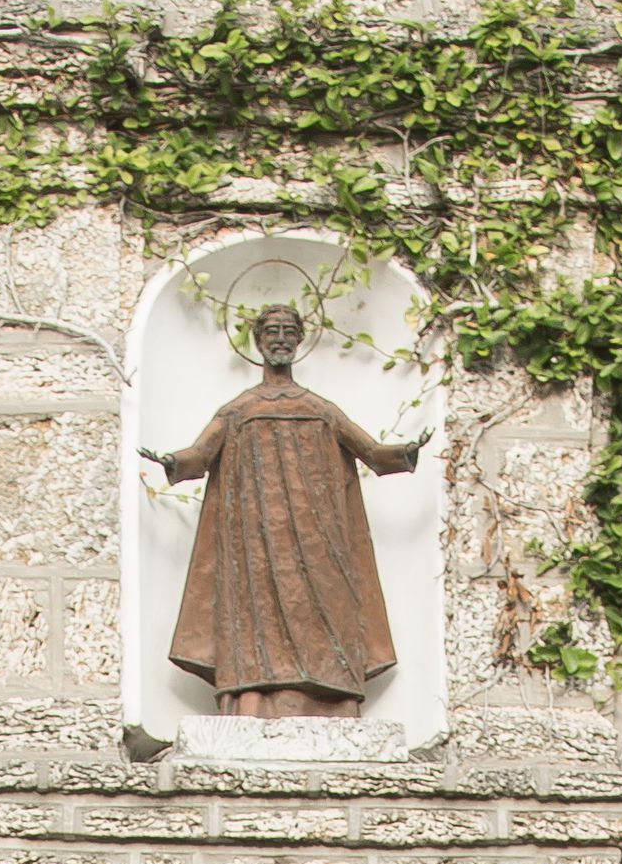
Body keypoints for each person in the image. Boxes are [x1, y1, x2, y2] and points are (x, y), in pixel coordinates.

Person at [149, 302, 423, 718]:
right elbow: (201, 453)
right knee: (256, 615)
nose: (280, 339)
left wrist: (404, 452)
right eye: (272, 331)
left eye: (287, 332)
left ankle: (331, 701)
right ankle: (253, 701)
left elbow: (369, 451)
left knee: (323, 609)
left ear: (299, 340)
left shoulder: (319, 409)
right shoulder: (239, 410)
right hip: (256, 537)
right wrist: (174, 463)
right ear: (258, 342)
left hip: (317, 534)